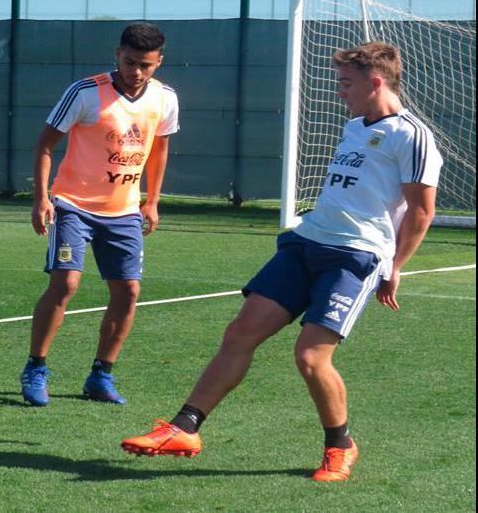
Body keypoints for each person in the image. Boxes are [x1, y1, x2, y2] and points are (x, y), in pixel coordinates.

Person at [120, 42, 442, 483]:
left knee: (310, 356)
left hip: (354, 257)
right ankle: (185, 428)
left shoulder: (411, 135)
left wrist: (394, 266)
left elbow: (421, 211)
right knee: (240, 332)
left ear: (376, 82)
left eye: (346, 84)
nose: (339, 92)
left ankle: (340, 446)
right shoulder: (353, 128)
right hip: (305, 244)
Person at [20, 23, 179, 406]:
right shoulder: (86, 92)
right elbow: (45, 145)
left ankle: (100, 376)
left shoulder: (166, 99)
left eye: (145, 65)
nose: (135, 71)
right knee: (66, 283)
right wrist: (42, 198)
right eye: (129, 62)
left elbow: (159, 150)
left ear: (159, 62)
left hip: (123, 211)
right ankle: (36, 367)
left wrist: (152, 201)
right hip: (72, 204)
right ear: (116, 55)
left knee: (128, 291)